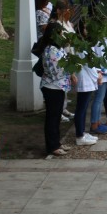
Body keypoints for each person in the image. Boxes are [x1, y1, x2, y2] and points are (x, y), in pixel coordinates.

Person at [38, 21, 75, 156]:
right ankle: (52, 146)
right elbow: (56, 71)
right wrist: (69, 69)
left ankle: (57, 143)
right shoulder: (50, 50)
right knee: (52, 118)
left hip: (59, 87)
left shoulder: (57, 48)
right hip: (52, 86)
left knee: (55, 117)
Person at [73, 22, 100, 147]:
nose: (87, 31)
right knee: (81, 109)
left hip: (87, 79)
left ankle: (82, 132)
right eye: (84, 28)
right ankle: (79, 135)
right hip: (85, 79)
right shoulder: (81, 46)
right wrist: (97, 76)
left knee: (83, 108)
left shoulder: (83, 45)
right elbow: (88, 64)